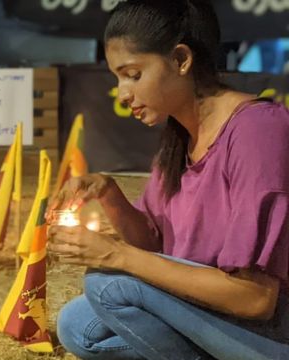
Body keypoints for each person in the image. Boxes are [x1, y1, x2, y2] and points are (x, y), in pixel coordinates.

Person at [48, 1, 289, 359]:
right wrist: (110, 194)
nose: (123, 93)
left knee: (107, 286)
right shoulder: (179, 138)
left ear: (180, 59)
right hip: (216, 315)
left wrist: (116, 254)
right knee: (76, 325)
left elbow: (255, 299)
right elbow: (153, 246)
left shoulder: (257, 130)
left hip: (272, 329)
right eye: (117, 77)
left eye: (133, 74)